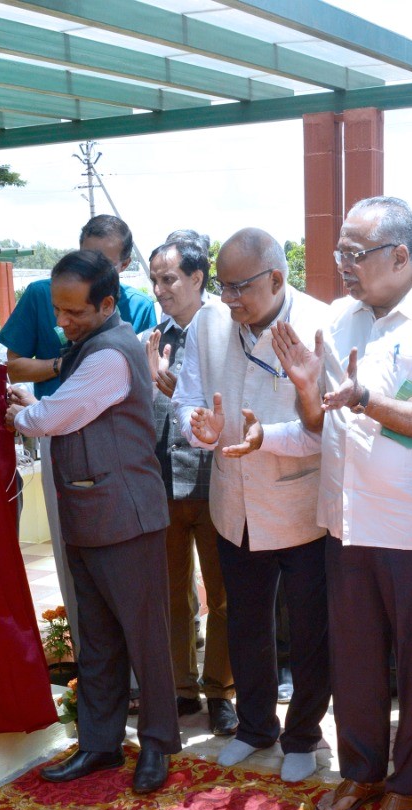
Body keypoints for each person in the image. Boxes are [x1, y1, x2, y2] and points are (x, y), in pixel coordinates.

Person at [268, 197, 412, 810]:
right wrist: (307, 387)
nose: (343, 266)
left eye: (356, 254)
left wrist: (366, 399)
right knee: (354, 657)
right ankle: (360, 770)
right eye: (340, 253)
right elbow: (318, 420)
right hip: (345, 518)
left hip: (409, 521)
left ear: (400, 257)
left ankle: (407, 785)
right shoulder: (339, 319)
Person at [5, 250, 179, 795]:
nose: (62, 322)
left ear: (107, 303)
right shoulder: (88, 346)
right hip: (90, 514)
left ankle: (156, 745)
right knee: (97, 640)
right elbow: (71, 405)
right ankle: (100, 744)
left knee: (144, 640)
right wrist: (34, 400)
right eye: (57, 310)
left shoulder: (109, 353)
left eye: (74, 311)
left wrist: (22, 413)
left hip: (125, 518)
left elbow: (58, 415)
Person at [177, 228, 334, 783]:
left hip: (299, 502)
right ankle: (255, 726)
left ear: (277, 277)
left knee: (311, 627)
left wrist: (267, 436)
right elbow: (188, 399)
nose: (228, 299)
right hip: (232, 500)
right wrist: (201, 429)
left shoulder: (321, 322)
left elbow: (328, 430)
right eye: (222, 286)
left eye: (240, 287)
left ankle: (304, 735)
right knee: (245, 620)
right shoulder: (209, 323)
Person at [0, 216, 157, 665]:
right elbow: (17, 367)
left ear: (120, 270)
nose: (63, 319)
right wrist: (62, 373)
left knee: (132, 611)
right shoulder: (43, 296)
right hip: (60, 448)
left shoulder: (130, 317)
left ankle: (142, 705)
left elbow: (105, 384)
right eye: (59, 311)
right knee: (83, 589)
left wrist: (49, 394)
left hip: (111, 475)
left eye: (104, 260)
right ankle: (89, 671)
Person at [145, 231, 236, 737]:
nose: (160, 289)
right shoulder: (155, 338)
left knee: (221, 595)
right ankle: (181, 688)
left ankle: (221, 691)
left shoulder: (224, 331)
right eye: (155, 279)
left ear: (198, 278)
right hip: (164, 484)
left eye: (170, 279)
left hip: (214, 480)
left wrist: (177, 388)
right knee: (171, 592)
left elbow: (223, 402)